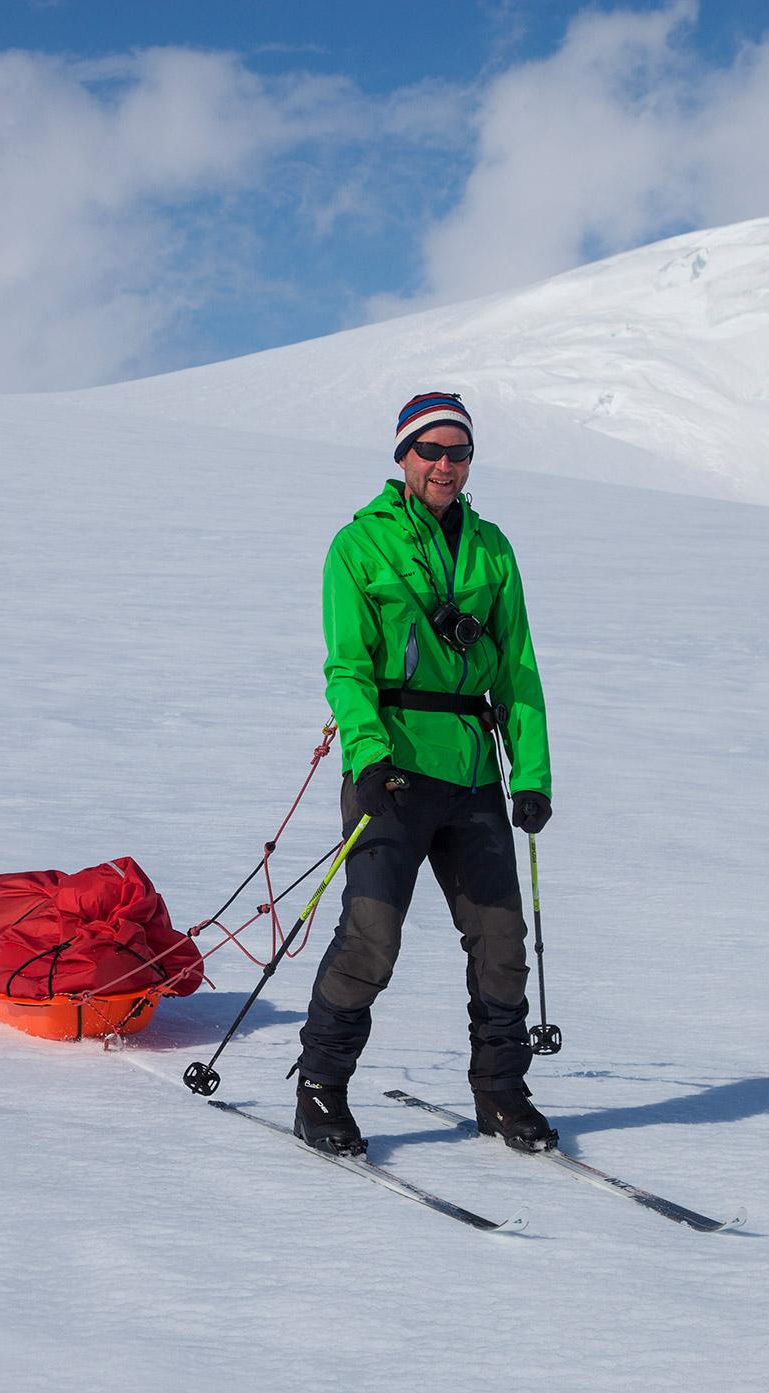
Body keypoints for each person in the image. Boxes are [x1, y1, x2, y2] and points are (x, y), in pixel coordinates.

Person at [294, 391, 558, 1156]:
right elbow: (346, 668)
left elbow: (517, 670)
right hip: (394, 775)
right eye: (432, 451)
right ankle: (320, 1087)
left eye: (460, 452)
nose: (446, 465)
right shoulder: (358, 546)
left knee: (502, 939)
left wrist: (531, 772)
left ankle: (502, 1092)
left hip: (473, 772)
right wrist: (368, 756)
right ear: (403, 456)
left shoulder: (493, 548)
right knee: (373, 936)